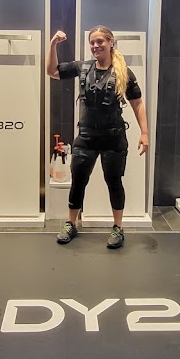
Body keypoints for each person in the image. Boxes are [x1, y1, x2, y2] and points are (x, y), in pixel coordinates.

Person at [47, 25, 149, 248]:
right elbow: (52, 71)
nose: (95, 46)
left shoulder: (123, 72)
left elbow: (137, 104)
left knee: (114, 182)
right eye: (92, 42)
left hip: (113, 138)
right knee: (78, 181)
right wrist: (53, 44)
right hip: (86, 138)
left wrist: (144, 132)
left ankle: (118, 228)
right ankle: (70, 223)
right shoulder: (83, 67)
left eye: (100, 41)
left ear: (111, 42)